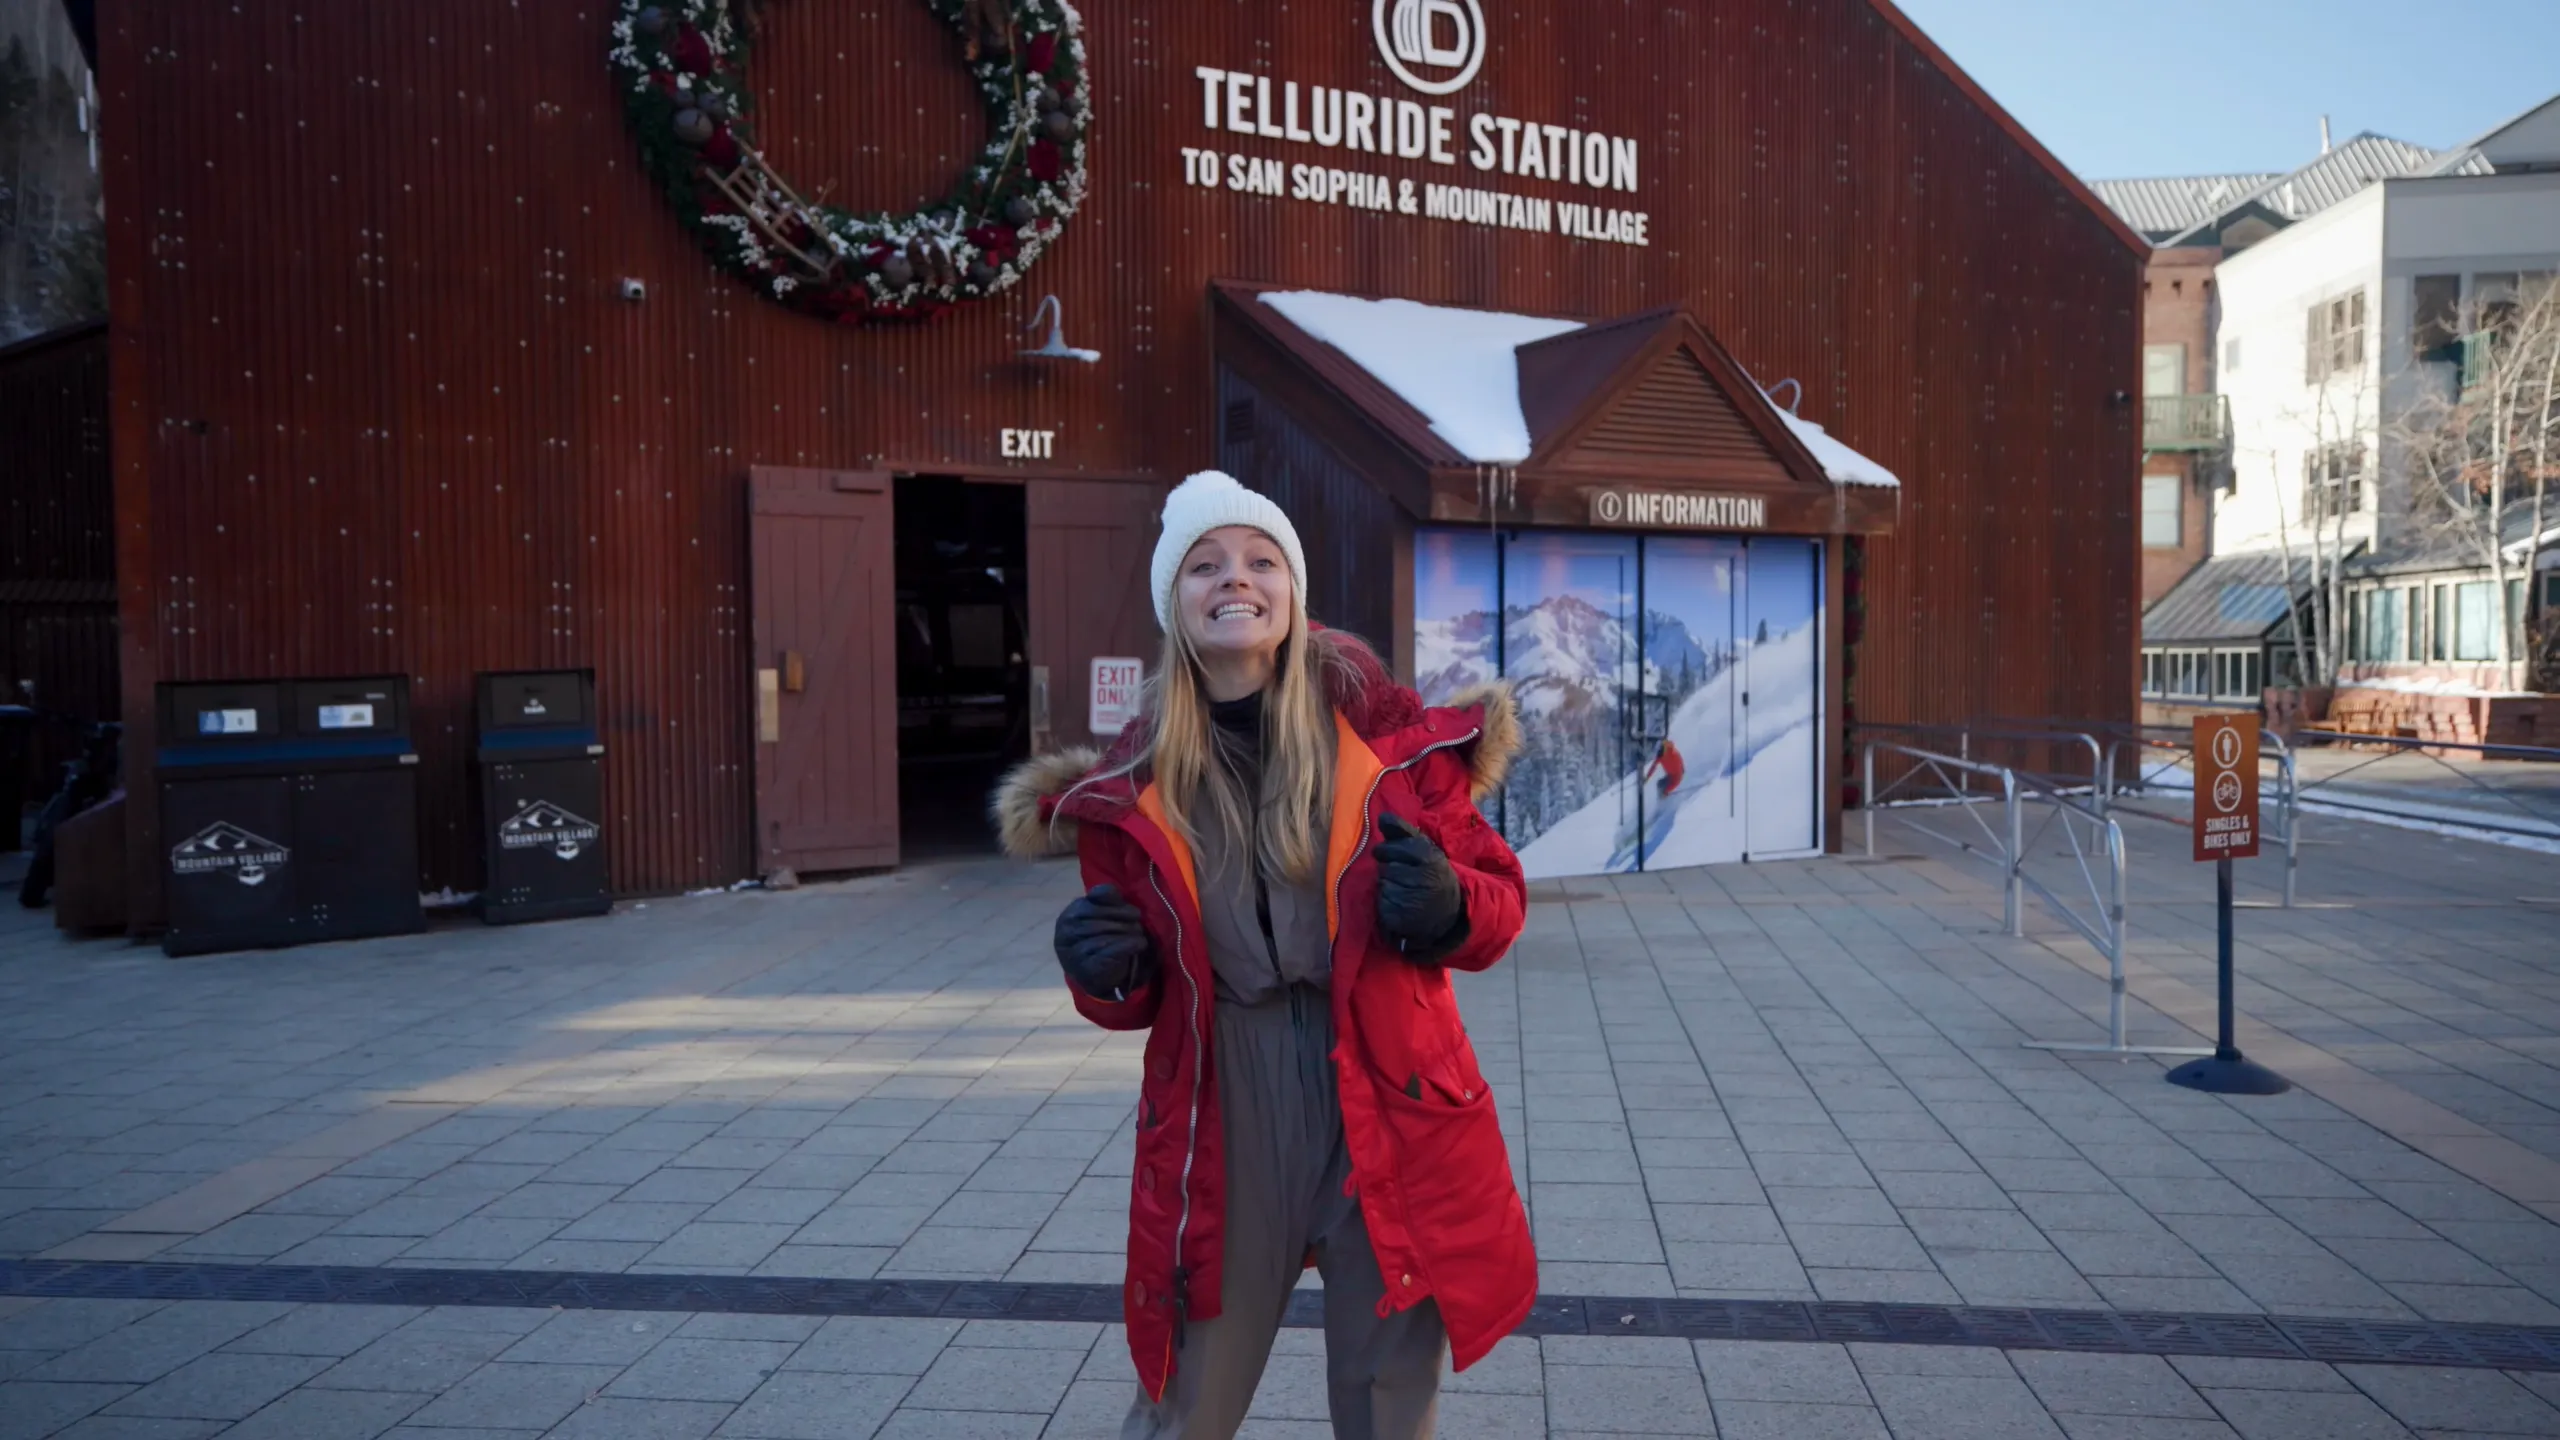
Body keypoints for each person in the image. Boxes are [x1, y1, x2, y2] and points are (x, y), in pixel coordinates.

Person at [993, 470, 1535, 1440]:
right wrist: (1099, 968)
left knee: (1389, 1392)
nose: (1232, 579)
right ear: (1176, 604)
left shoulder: (1391, 744)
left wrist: (1450, 908)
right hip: (1228, 1100)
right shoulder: (1132, 784)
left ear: (1292, 593)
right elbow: (1133, 996)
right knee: (1188, 1391)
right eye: (1203, 565)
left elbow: (1499, 906)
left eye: (1258, 559)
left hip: (1384, 1082)